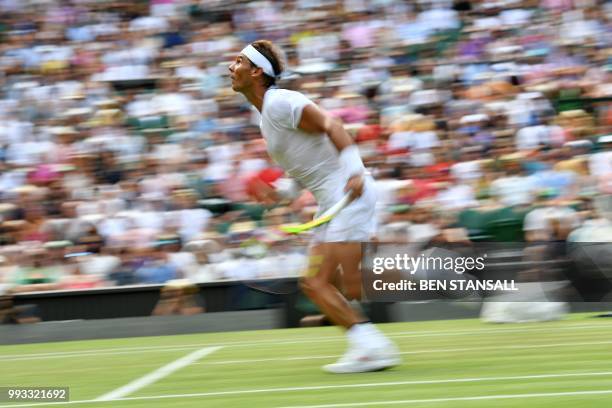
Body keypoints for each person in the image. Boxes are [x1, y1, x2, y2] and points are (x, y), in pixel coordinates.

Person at [228, 40, 400, 373]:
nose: (229, 67)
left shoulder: (281, 102)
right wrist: (276, 194)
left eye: (238, 61)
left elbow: (332, 126)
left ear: (256, 71)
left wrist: (354, 172)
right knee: (314, 283)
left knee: (321, 281)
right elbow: (302, 172)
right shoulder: (266, 117)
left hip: (349, 196)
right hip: (332, 203)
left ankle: (372, 346)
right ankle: (367, 343)